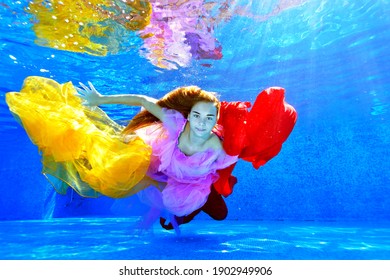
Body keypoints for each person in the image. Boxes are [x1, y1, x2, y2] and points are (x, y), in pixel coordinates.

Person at [6, 76, 297, 232]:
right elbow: (144, 100)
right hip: (167, 176)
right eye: (197, 116)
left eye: (209, 120)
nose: (201, 125)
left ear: (216, 121)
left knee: (219, 214)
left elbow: (242, 149)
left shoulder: (219, 148)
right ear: (189, 115)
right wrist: (99, 100)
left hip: (198, 188)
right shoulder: (173, 124)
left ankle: (183, 210)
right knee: (118, 174)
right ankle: (162, 210)